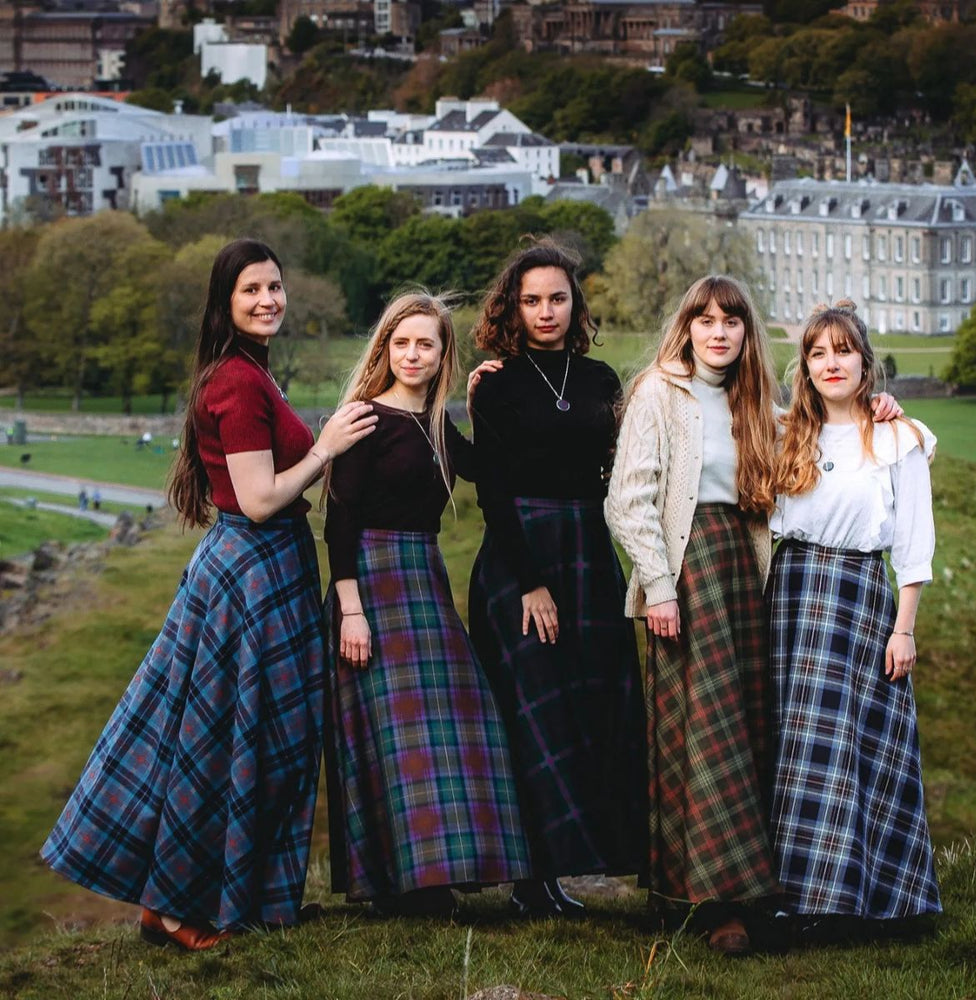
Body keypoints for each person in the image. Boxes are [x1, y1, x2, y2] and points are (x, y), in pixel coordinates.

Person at [41, 239, 377, 949]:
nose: (269, 300)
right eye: (252, 289)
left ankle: (237, 900)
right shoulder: (235, 381)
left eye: (276, 287)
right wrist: (328, 448)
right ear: (226, 302)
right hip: (251, 572)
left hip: (272, 569)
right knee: (223, 742)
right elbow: (258, 500)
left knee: (269, 744)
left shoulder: (253, 371)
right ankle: (171, 908)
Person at [323, 291, 530, 917]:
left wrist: (481, 397)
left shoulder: (436, 424)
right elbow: (338, 524)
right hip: (371, 584)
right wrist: (351, 611)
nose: (413, 355)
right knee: (389, 735)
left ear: (443, 354)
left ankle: (439, 870)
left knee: (456, 722)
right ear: (386, 348)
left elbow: (492, 468)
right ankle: (398, 885)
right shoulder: (365, 419)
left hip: (425, 579)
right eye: (402, 343)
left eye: (426, 344)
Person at [468, 239, 647, 918]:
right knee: (530, 715)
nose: (546, 312)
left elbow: (625, 466)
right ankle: (527, 881)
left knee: (587, 712)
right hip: (522, 561)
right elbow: (495, 493)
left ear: (576, 305)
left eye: (558, 299)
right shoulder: (498, 383)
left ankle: (574, 867)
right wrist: (531, 583)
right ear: (514, 307)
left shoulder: (601, 380)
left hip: (587, 554)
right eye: (533, 300)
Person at [604, 275, 782, 955]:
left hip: (744, 569)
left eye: (731, 321)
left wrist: (888, 412)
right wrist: (660, 587)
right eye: (705, 319)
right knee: (704, 736)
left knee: (748, 727)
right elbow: (631, 500)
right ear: (687, 326)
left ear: (745, 332)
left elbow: (807, 447)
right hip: (686, 571)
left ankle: (751, 887)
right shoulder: (659, 392)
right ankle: (712, 902)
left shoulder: (754, 395)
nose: (718, 331)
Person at [768, 301, 940, 940]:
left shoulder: (899, 437)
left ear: (866, 363)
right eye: (817, 353)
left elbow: (915, 544)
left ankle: (876, 899)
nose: (830, 363)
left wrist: (905, 628)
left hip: (861, 598)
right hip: (792, 594)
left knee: (859, 745)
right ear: (805, 366)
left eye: (843, 351)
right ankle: (802, 900)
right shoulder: (788, 431)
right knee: (800, 751)